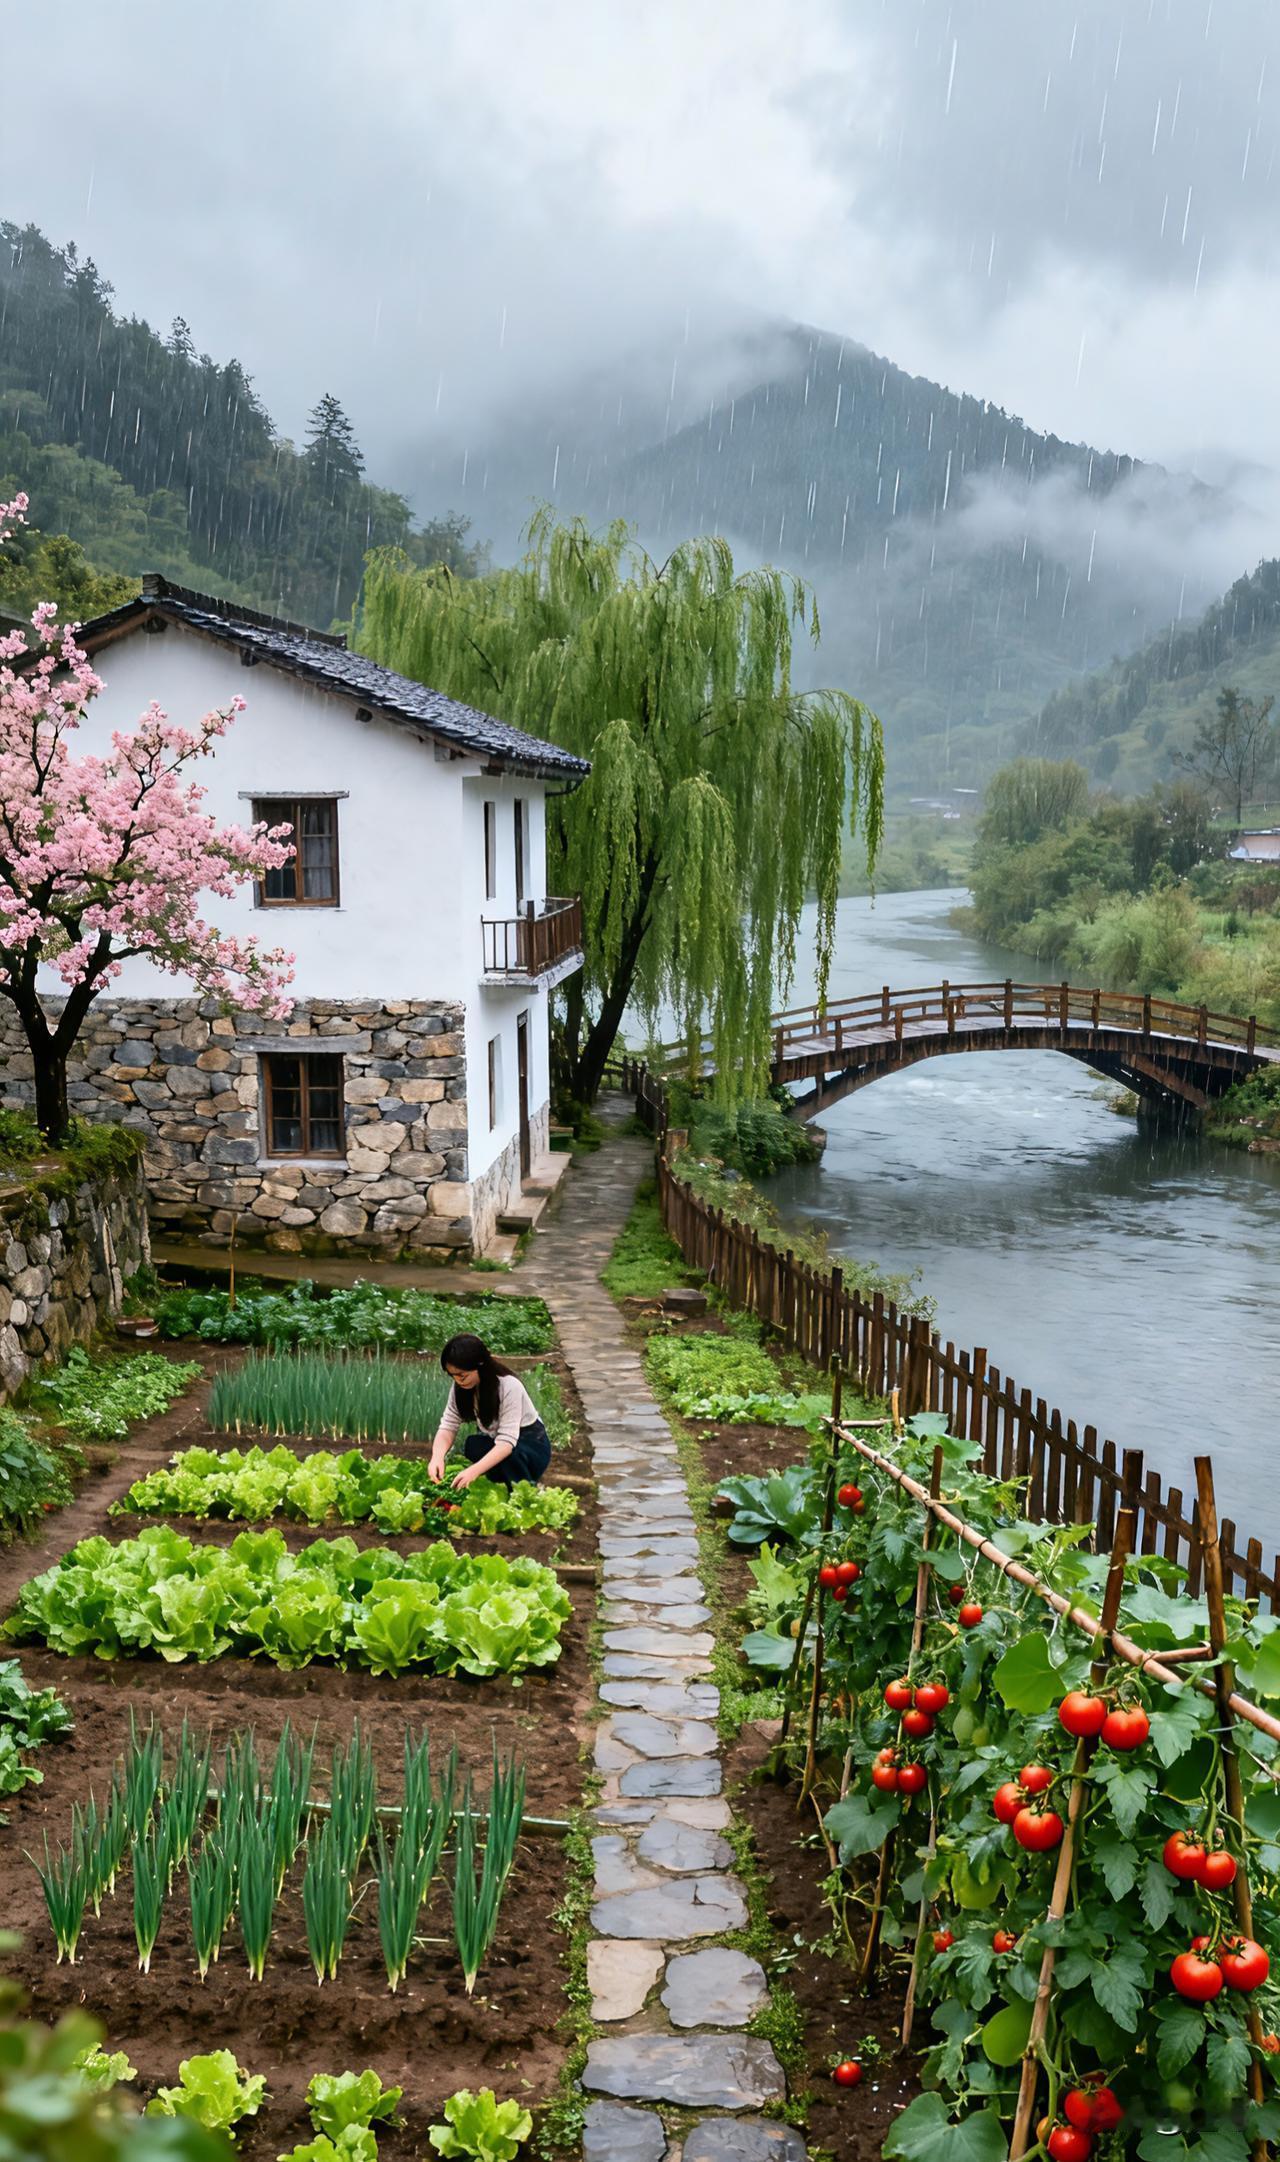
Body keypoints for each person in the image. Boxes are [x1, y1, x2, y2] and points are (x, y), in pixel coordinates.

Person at [428, 1332, 552, 1491]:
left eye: (462, 1376)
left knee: (510, 1457)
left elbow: (506, 1443)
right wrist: (437, 1457)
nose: (458, 1381)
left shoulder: (509, 1386)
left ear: (480, 1365)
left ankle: (525, 1491)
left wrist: (473, 1471)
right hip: (500, 1441)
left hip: (530, 1444)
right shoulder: (460, 1387)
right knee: (473, 1446)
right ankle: (500, 1485)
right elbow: (448, 1426)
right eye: (453, 1376)